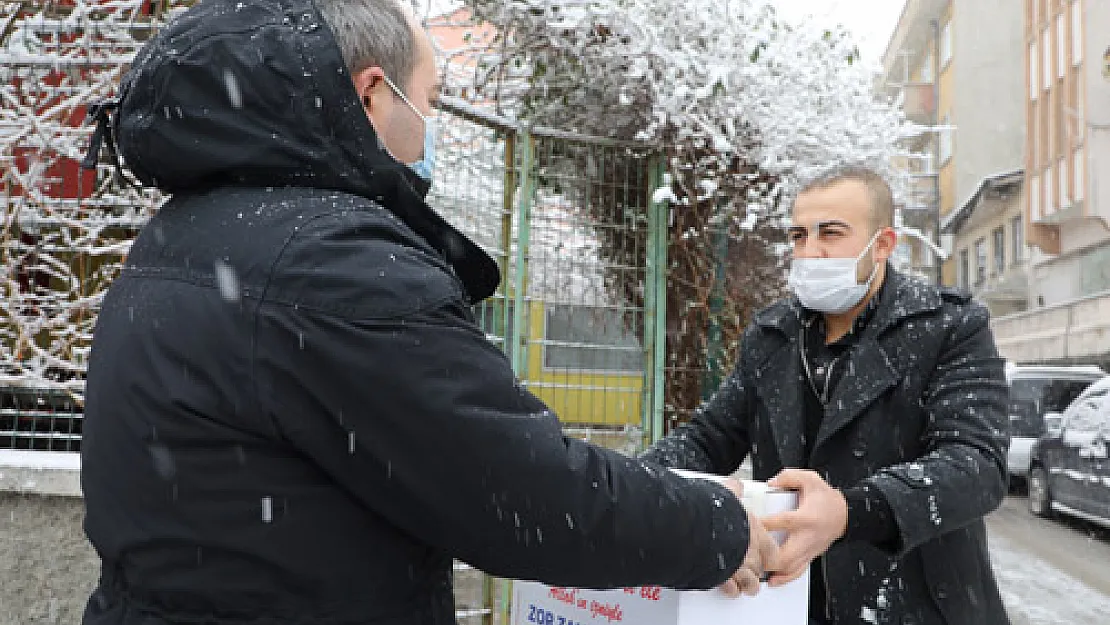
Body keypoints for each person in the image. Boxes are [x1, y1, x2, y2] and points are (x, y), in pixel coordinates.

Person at [77, 1, 779, 623]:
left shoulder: (185, 233)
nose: (432, 125)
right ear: (374, 93)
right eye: (431, 99)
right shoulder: (332, 263)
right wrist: (720, 527)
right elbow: (520, 491)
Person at [642, 167, 1012, 625]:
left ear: (882, 244)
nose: (809, 252)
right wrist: (634, 487)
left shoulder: (950, 327)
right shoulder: (773, 334)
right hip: (791, 600)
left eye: (830, 233)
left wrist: (849, 511)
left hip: (920, 604)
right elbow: (711, 437)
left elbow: (977, 464)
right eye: (798, 236)